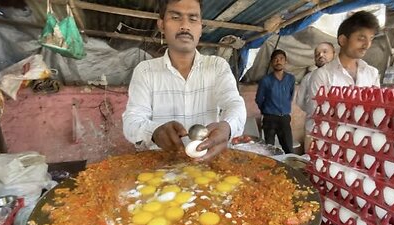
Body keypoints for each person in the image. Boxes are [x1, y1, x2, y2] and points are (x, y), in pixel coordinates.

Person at [122, 0, 247, 161]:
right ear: (161, 25)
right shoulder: (145, 71)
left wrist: (227, 127)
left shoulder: (217, 66)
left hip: (208, 165)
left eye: (193, 18)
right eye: (175, 17)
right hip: (160, 168)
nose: (185, 26)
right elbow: (132, 121)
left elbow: (234, 104)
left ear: (201, 27)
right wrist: (153, 132)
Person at [306, 10, 380, 152]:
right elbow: (315, 119)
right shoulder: (323, 75)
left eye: (371, 39)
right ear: (343, 40)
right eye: (361, 38)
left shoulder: (372, 74)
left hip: (362, 149)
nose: (367, 45)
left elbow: (376, 115)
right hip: (330, 149)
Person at [295, 42, 335, 153]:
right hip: (313, 130)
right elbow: (300, 102)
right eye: (317, 54)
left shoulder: (341, 76)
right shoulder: (308, 77)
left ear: (334, 54)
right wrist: (312, 110)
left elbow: (301, 102)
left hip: (335, 133)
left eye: (325, 52)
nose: (320, 55)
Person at [255, 49, 295, 154]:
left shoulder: (291, 79)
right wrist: (266, 110)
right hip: (269, 119)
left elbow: (290, 96)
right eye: (275, 59)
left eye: (281, 59)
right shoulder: (265, 80)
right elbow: (259, 99)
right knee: (269, 150)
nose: (278, 61)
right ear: (272, 62)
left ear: (285, 61)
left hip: (285, 118)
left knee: (289, 149)